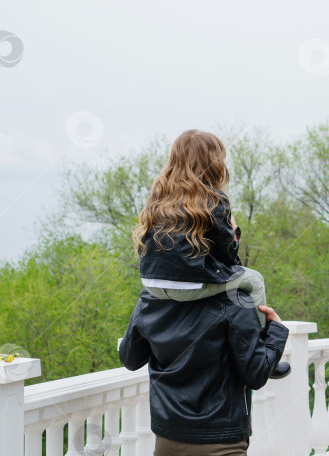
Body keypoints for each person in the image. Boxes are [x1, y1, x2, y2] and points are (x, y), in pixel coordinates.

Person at [119, 289, 288, 455]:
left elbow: (130, 359)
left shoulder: (152, 296)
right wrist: (276, 331)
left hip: (167, 439)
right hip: (220, 442)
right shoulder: (234, 299)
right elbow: (256, 374)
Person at [133, 129, 272, 331]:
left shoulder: (159, 195)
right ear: (213, 163)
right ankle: (261, 350)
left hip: (151, 282)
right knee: (254, 280)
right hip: (187, 286)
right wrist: (234, 234)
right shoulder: (214, 200)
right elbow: (227, 261)